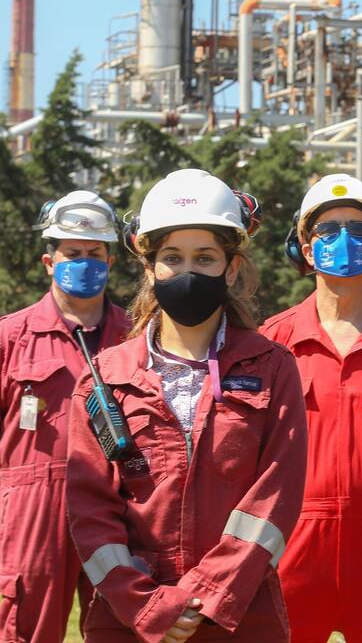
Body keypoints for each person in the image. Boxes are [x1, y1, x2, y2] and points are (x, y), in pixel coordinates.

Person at [65, 169, 306, 642]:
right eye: (172, 257)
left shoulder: (274, 368)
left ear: (230, 268)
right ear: (150, 267)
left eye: (205, 257)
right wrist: (147, 606)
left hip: (239, 616)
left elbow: (274, 498)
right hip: (126, 619)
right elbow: (90, 510)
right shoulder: (104, 378)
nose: (187, 271)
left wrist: (208, 593)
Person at [260, 174, 362, 642]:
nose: (344, 240)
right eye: (327, 232)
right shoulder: (272, 343)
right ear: (307, 250)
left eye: (358, 228)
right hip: (291, 546)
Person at [0, 190, 130, 643]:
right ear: (48, 261)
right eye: (72, 253)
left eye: (95, 253)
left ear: (111, 262)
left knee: (120, 625)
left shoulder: (136, 338)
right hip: (32, 508)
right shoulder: (11, 337)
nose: (84, 262)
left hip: (116, 503)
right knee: (26, 630)